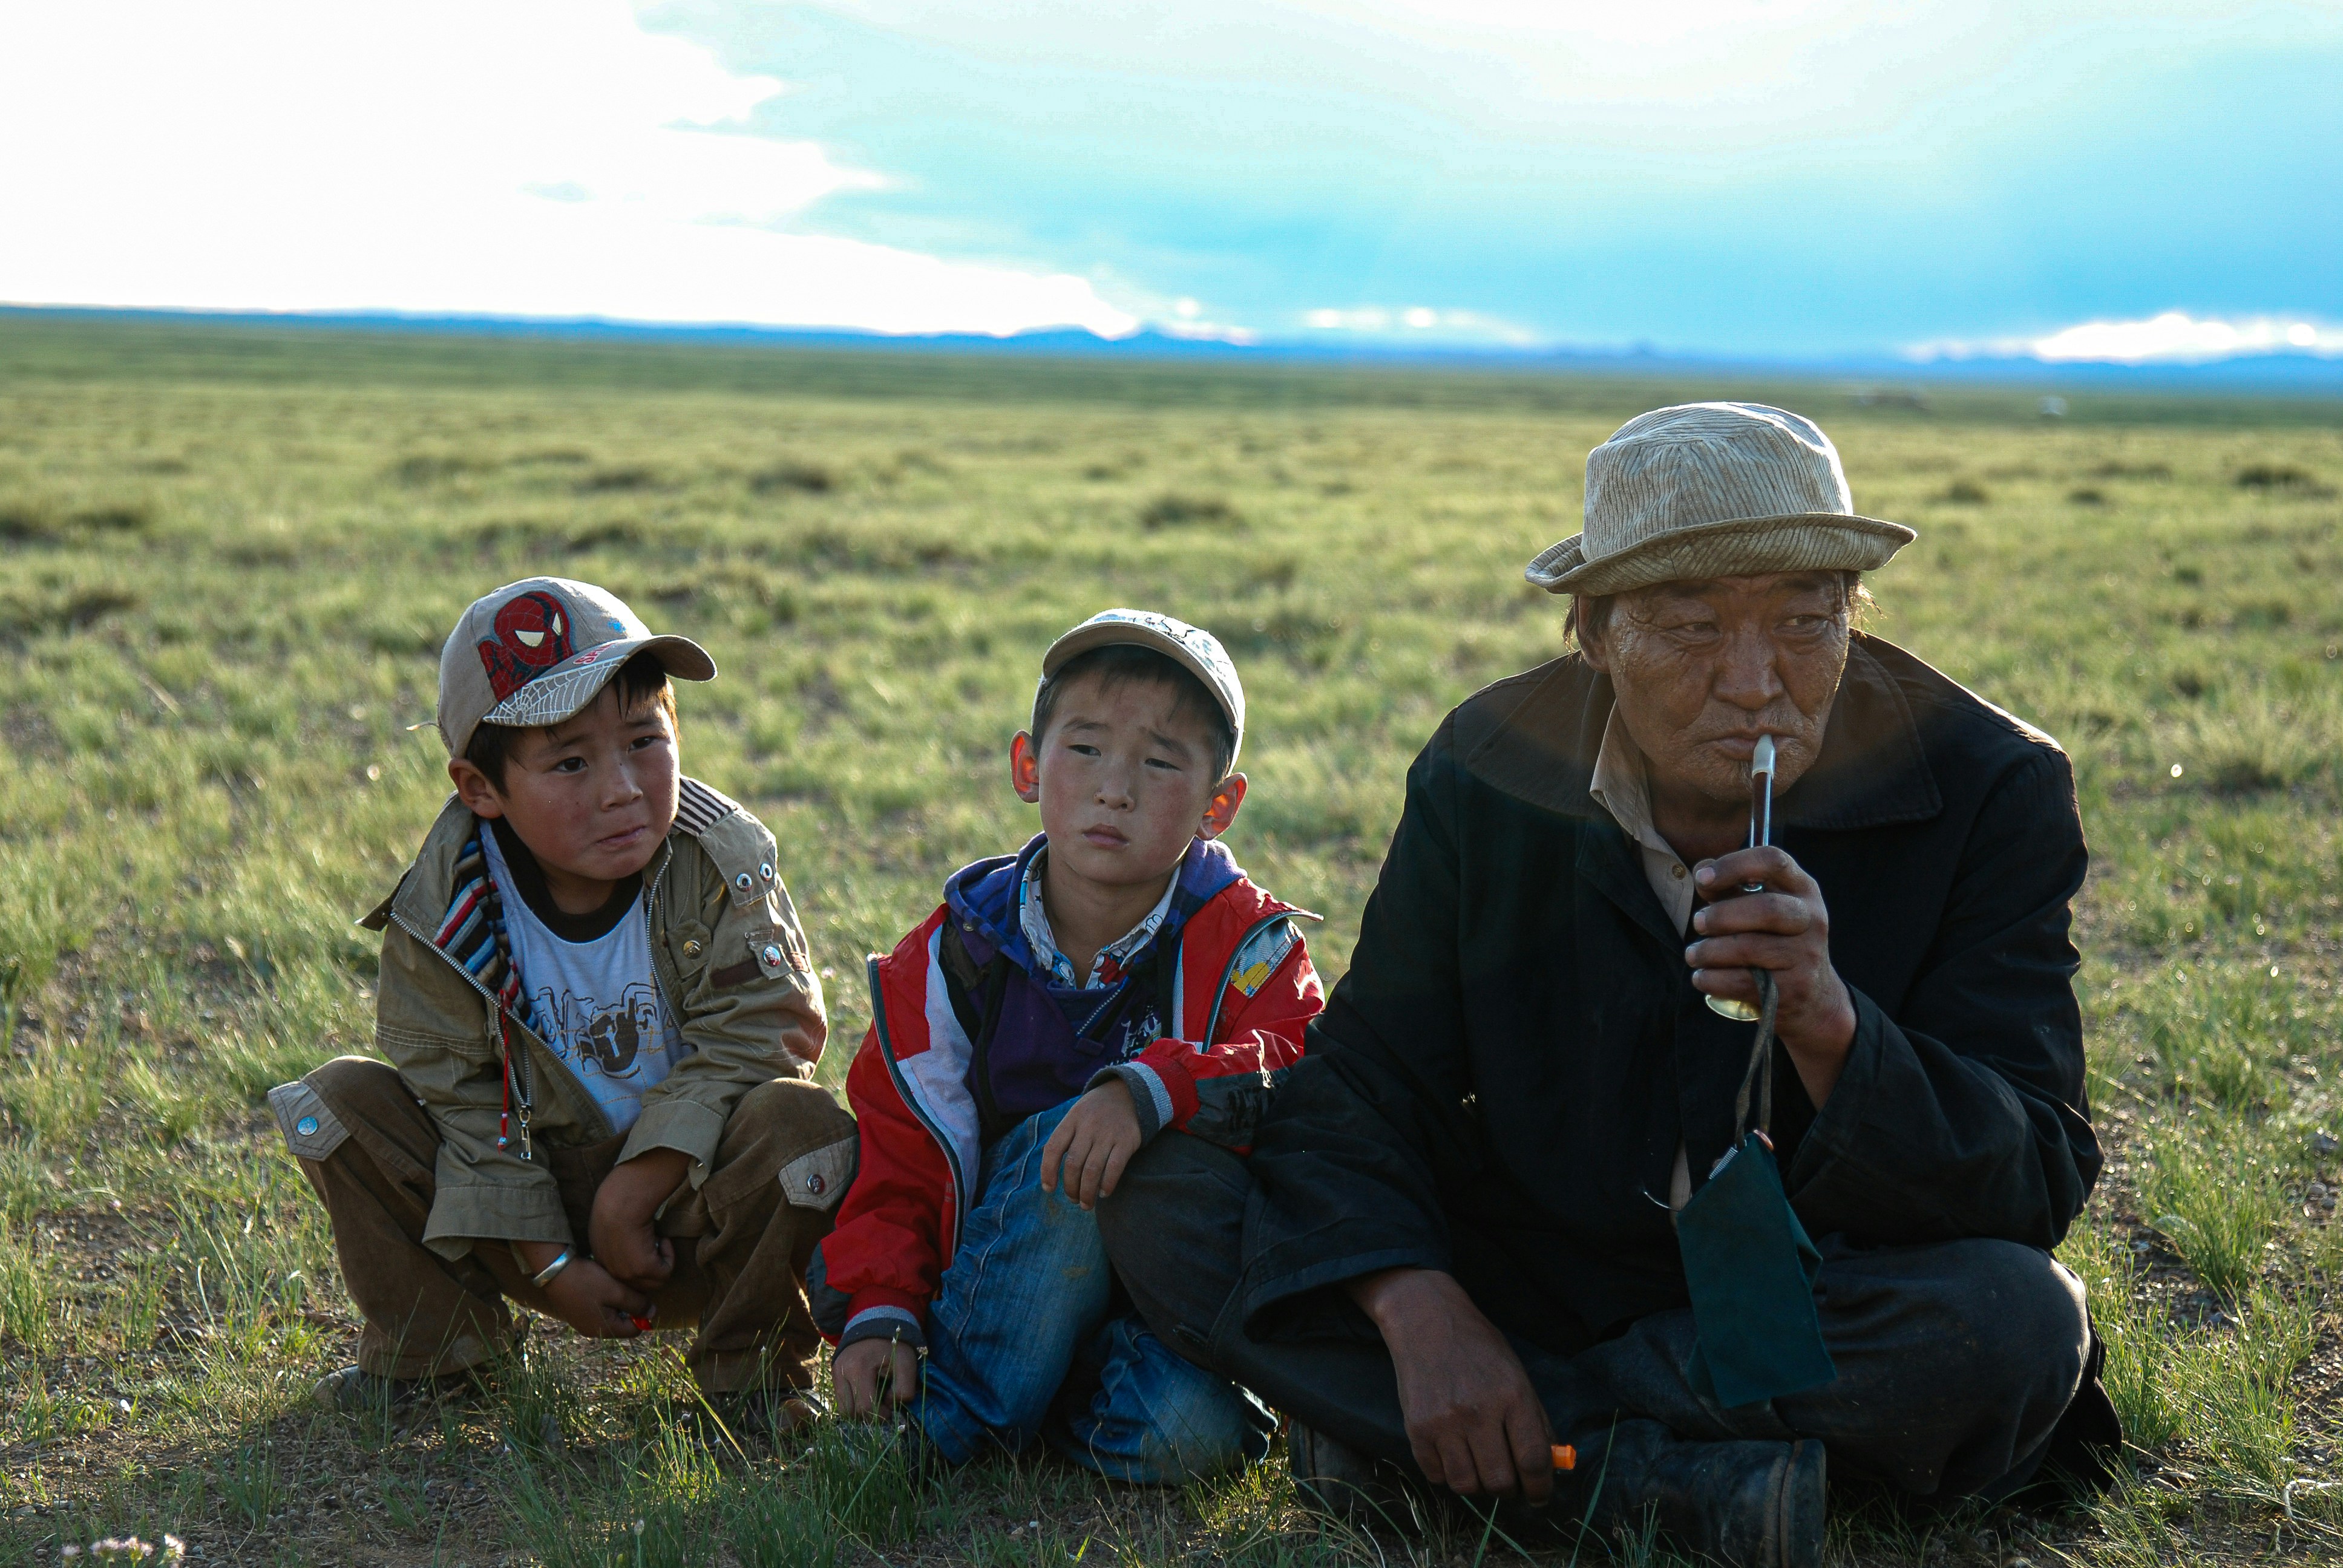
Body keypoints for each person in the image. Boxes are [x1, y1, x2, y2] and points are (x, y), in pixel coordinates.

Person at [1099, 405, 2118, 1568]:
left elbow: (2034, 1172)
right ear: (1592, 632)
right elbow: (1370, 1076)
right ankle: (1660, 1474)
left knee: (2018, 1323)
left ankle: (1479, 1455)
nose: (1755, 681)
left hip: (1812, 1292)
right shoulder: (1491, 768)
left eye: (1805, 621)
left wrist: (1835, 1026)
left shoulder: (1991, 788)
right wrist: (1418, 1309)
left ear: (1854, 614)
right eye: (1691, 628)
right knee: (1163, 1188)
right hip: (1536, 1263)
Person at [274, 577, 856, 1433]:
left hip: (691, 1206)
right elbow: (466, 1108)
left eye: (644, 740)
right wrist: (551, 1266)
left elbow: (768, 1030)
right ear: (481, 788)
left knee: (799, 1123)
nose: (622, 787)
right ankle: (441, 1360)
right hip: (520, 1211)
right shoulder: (442, 918)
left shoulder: (716, 856)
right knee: (337, 1106)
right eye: (571, 761)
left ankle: (750, 1379)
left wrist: (633, 1191)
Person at [810, 609, 1325, 1483]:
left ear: (1219, 807)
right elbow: (898, 1157)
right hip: (985, 1282)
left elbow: (1305, 1067)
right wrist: (884, 1309)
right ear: (1027, 765)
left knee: (1194, 1437)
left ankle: (1030, 1407)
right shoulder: (951, 957)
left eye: (1161, 762)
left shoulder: (1250, 950)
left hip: (1157, 1300)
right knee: (1073, 1155)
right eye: (1084, 749)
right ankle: (944, 1428)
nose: (1114, 789)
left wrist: (1151, 1090)